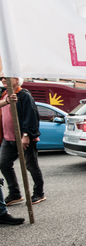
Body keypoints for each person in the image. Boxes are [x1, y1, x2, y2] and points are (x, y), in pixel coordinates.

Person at [0, 76, 45, 205]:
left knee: (31, 166)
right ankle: (15, 194)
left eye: (7, 77)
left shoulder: (24, 95)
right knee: (3, 164)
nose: (3, 79)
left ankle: (39, 193)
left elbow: (30, 116)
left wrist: (26, 135)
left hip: (23, 138)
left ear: (17, 79)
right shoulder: (4, 95)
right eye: (2, 77)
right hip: (8, 139)